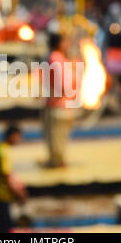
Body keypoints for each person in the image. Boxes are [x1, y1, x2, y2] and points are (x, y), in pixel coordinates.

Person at [43, 33, 78, 168]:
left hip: (58, 105)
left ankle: (56, 163)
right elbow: (63, 84)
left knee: (57, 140)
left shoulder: (56, 58)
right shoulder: (56, 59)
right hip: (59, 106)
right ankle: (57, 166)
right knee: (58, 141)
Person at [0, 125, 27, 233]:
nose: (19, 140)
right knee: (5, 227)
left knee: (0, 224)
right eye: (18, 137)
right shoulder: (4, 154)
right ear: (12, 136)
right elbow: (7, 177)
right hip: (2, 194)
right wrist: (19, 194)